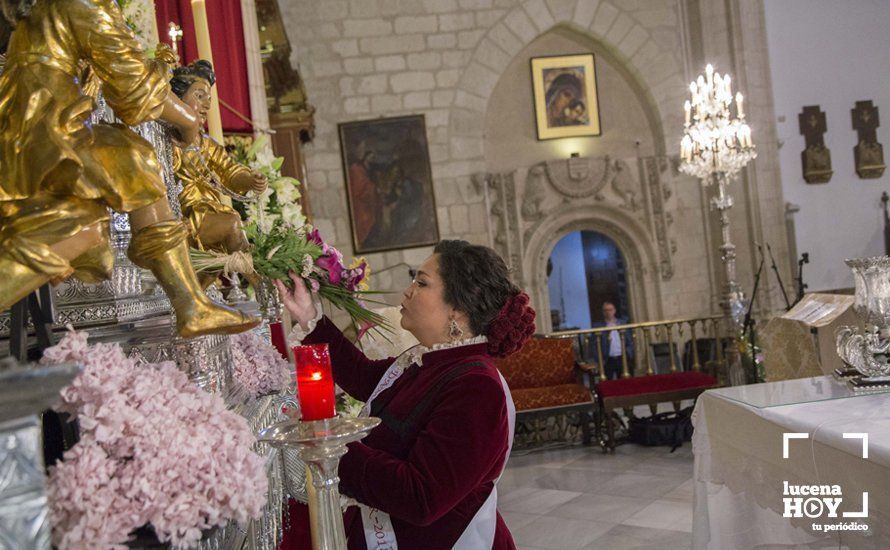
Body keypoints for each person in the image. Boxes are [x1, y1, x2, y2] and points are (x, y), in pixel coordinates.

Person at [0, 0, 258, 337]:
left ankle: (191, 305)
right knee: (87, 217)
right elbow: (134, 88)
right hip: (43, 124)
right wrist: (189, 120)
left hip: (37, 113)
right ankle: (191, 304)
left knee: (130, 159)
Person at [275, 240, 537, 549]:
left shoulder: (477, 388)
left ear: (457, 309)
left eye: (422, 282)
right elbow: (364, 377)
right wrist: (309, 318)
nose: (408, 291)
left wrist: (329, 446)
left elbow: (421, 497)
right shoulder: (431, 360)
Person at [169, 60, 267, 255]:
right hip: (183, 217)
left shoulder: (206, 144)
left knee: (214, 262)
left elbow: (229, 171)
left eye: (209, 99)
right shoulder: (167, 140)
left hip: (209, 212)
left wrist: (250, 180)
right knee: (231, 224)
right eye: (199, 96)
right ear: (178, 99)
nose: (206, 105)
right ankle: (259, 278)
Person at [591, 301, 634, 380]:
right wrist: (599, 360)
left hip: (622, 357)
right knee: (608, 382)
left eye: (610, 310)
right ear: (603, 312)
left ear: (614, 311)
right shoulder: (598, 326)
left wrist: (628, 353)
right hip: (607, 359)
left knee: (625, 382)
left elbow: (630, 341)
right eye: (606, 310)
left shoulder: (622, 323)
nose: (608, 312)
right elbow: (594, 345)